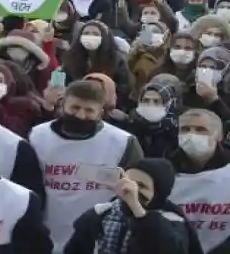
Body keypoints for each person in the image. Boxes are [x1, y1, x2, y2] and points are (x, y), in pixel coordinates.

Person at [29, 80, 143, 252]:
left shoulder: (123, 142)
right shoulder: (38, 135)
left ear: (100, 112)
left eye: (89, 110)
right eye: (75, 108)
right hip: (49, 233)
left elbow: (137, 187)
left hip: (100, 236)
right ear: (63, 104)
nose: (81, 115)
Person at [65, 158, 201, 254]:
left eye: (141, 186)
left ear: (158, 192)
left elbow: (168, 248)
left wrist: (137, 209)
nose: (131, 189)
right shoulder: (101, 213)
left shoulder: (171, 220)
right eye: (128, 181)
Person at [167, 109, 230, 253]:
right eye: (185, 129)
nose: (191, 135)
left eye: (201, 130)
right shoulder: (164, 171)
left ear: (218, 135)